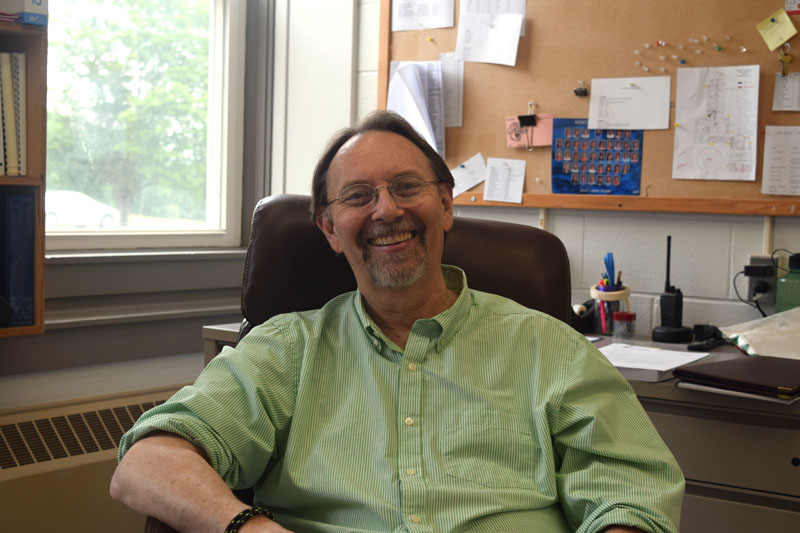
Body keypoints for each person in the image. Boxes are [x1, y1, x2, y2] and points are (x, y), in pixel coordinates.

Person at [111, 110, 684, 533]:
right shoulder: (287, 351)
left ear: (447, 205)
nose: (387, 209)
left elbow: (631, 497)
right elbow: (147, 462)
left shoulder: (548, 346)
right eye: (358, 196)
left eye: (407, 187)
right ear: (330, 230)